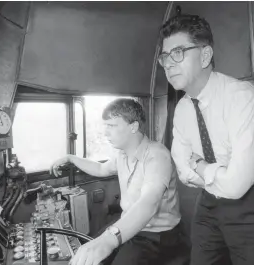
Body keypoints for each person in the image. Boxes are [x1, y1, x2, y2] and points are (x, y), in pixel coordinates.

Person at [158, 14, 254, 265]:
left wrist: (201, 166)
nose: (168, 64)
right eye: (164, 56)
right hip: (210, 198)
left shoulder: (242, 98)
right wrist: (216, 175)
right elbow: (183, 171)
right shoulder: (184, 109)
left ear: (206, 56)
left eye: (177, 52)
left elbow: (237, 185)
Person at [50, 99, 181, 265]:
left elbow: (150, 202)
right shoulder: (123, 154)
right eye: (106, 126)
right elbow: (100, 169)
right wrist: (71, 158)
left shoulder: (157, 155)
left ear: (133, 127)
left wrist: (108, 240)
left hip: (156, 234)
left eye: (112, 126)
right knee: (87, 251)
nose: (106, 133)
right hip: (130, 224)